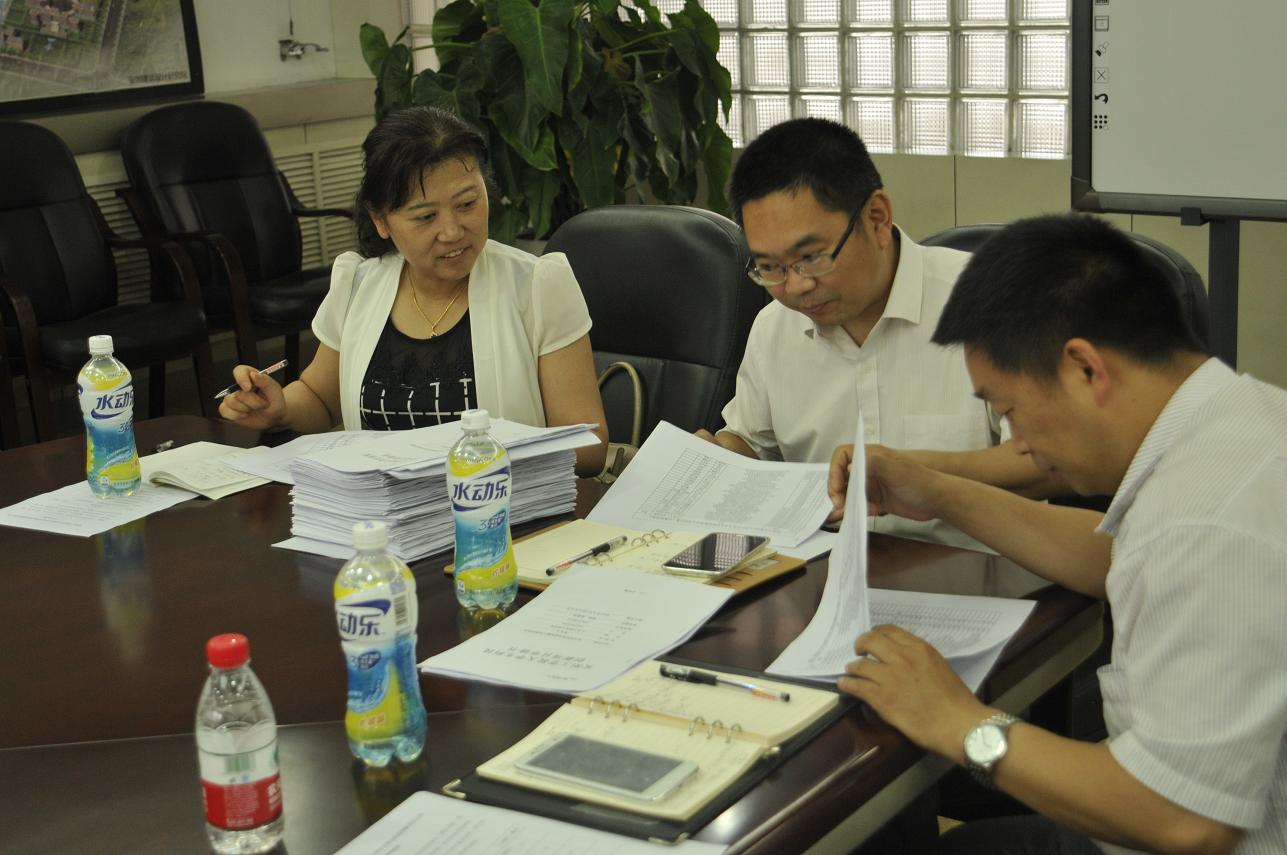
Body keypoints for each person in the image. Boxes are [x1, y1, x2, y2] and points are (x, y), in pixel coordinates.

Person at [829, 213, 1287, 854]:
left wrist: (959, 721)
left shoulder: (1210, 525)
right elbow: (1119, 555)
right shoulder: (1239, 419)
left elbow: (1185, 821)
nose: (1017, 442)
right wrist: (938, 492)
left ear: (1084, 369)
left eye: (1010, 410)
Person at [696, 117, 1047, 547]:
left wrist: (915, 475)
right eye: (770, 267)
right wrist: (717, 459)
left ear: (877, 218)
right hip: (824, 568)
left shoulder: (996, 306)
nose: (796, 286)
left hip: (974, 568)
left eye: (812, 257)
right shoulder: (774, 327)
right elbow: (752, 443)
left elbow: (1043, 464)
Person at [219, 106, 608, 476]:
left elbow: (589, 447)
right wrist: (280, 408)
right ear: (381, 221)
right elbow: (320, 399)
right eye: (425, 216)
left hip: (495, 507)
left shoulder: (538, 286)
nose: (452, 231)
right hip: (382, 511)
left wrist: (468, 470)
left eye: (467, 203)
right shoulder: (358, 286)